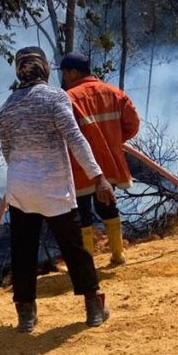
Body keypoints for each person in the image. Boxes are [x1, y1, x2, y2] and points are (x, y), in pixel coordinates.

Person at [0, 46, 114, 332]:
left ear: (19, 71)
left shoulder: (7, 107)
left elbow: (7, 152)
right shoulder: (54, 97)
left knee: (23, 251)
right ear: (44, 69)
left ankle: (26, 314)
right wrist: (98, 176)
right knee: (74, 248)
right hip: (53, 187)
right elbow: (74, 138)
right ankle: (93, 306)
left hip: (20, 188)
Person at [60, 53, 140, 266]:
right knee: (108, 206)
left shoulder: (67, 99)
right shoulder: (115, 93)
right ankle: (118, 254)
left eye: (65, 73)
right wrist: (114, 141)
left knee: (82, 213)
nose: (65, 78)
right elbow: (133, 124)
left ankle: (87, 262)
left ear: (73, 72)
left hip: (81, 168)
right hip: (110, 164)